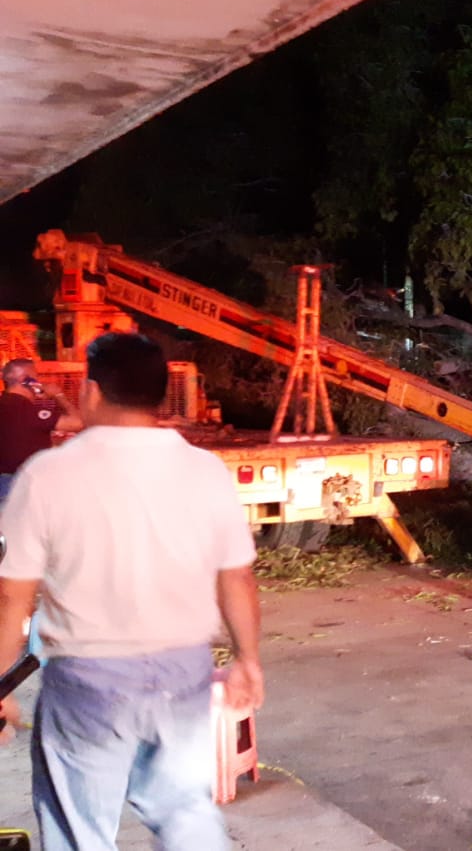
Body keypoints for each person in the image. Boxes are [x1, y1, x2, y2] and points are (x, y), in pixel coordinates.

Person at [0, 332, 264, 850]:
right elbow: (237, 575)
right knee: (185, 809)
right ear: (160, 395)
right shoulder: (203, 470)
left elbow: (15, 598)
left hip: (87, 682)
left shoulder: (49, 474)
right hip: (183, 674)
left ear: (93, 392)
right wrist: (248, 659)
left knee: (80, 828)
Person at [0, 357, 83, 505]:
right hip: (24, 486)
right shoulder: (31, 411)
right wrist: (58, 395)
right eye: (36, 377)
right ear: (27, 381)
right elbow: (78, 423)